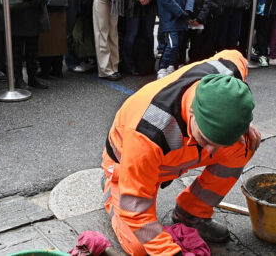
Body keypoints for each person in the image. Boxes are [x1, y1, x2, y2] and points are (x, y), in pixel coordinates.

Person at [101, 49, 260, 255]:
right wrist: (172, 253)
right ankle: (112, 187)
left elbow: (235, 55)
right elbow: (137, 211)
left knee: (244, 144)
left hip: (171, 154)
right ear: (192, 111)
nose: (212, 151)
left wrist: (240, 123)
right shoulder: (148, 132)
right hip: (129, 164)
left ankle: (191, 214)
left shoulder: (228, 72)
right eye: (206, 139)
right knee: (140, 247)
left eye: (218, 143)